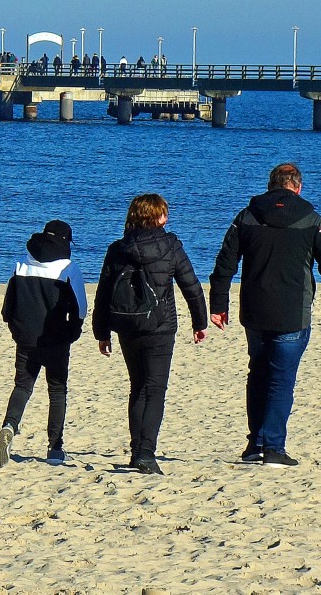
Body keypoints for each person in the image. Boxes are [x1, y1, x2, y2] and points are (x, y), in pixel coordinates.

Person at [208, 163, 321, 468]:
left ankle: (255, 444)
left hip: (255, 310)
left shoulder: (246, 216)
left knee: (258, 375)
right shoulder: (311, 219)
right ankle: (272, 446)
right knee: (281, 380)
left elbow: (224, 264)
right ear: (297, 187)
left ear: (272, 185)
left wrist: (218, 304)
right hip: (292, 312)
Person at [92, 194, 207, 475]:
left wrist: (101, 331)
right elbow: (190, 285)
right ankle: (145, 452)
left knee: (138, 387)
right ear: (160, 218)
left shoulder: (117, 249)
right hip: (160, 326)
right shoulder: (171, 246)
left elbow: (103, 293)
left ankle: (136, 451)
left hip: (127, 325)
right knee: (154, 390)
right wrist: (199, 321)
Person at [0, 220, 87, 467]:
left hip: (25, 338)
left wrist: (15, 329)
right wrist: (72, 333)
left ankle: (9, 427)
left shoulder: (22, 263)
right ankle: (55, 448)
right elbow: (80, 309)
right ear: (66, 242)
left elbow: (8, 306)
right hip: (56, 340)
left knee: (22, 386)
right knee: (57, 391)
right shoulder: (68, 268)